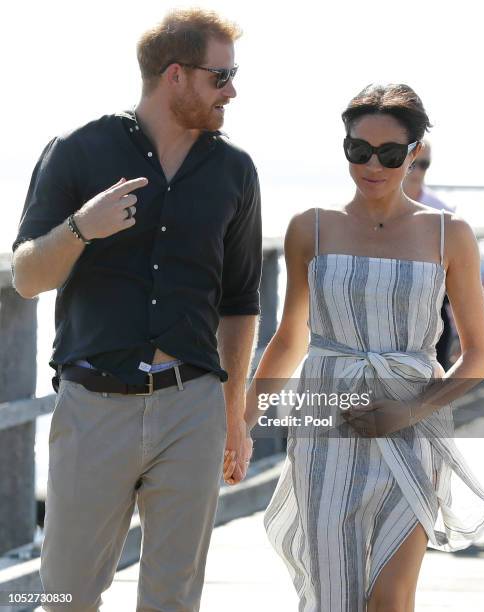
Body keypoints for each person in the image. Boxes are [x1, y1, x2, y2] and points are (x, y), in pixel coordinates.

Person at [12, 8, 259, 611]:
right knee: (67, 595)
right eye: (220, 76)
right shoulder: (79, 151)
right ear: (175, 75)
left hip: (192, 406)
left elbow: (240, 300)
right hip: (94, 404)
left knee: (173, 599)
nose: (233, 89)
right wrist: (80, 229)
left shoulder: (234, 170)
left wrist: (233, 415)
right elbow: (25, 277)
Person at [240, 84, 484, 612]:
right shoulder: (310, 227)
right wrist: (241, 422)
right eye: (358, 150)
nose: (371, 164)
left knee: (390, 600)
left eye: (389, 153)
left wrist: (408, 412)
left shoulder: (452, 235)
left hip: (413, 430)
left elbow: (478, 357)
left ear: (415, 152)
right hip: (325, 432)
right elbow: (291, 336)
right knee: (335, 595)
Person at [404, 140, 455, 370]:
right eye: (414, 163)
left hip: (433, 312)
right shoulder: (374, 209)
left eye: (424, 164)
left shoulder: (443, 212)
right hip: (389, 310)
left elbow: (455, 271)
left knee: (433, 387)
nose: (418, 170)